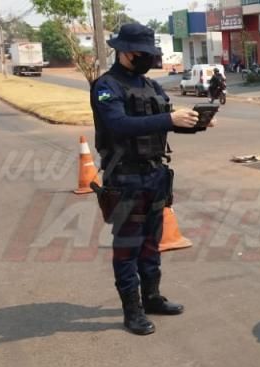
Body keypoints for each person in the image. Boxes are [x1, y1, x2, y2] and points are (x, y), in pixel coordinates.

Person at [90, 23, 213, 335]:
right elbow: (118, 124)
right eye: (143, 54)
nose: (148, 58)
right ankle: (132, 310)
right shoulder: (107, 86)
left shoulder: (151, 86)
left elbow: (163, 122)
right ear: (125, 51)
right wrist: (169, 119)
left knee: (151, 242)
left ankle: (152, 297)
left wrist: (195, 123)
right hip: (126, 178)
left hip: (155, 175)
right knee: (128, 245)